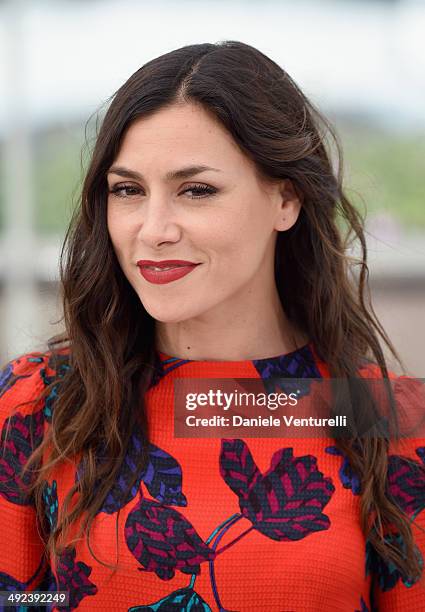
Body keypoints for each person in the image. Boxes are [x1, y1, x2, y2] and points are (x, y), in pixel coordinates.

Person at [0, 40, 424, 612]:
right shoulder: (40, 403)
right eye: (128, 190)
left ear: (286, 200)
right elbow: (22, 598)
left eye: (195, 190)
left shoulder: (379, 417)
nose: (153, 229)